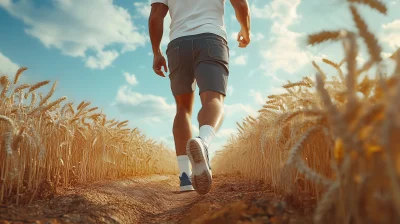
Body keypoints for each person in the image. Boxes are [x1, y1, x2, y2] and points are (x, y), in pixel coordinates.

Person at [148, 0, 251, 195]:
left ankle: (185, 177)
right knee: (214, 99)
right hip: (211, 39)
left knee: (182, 110)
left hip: (178, 45)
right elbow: (240, 4)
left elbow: (156, 15)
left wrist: (156, 53)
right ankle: (203, 142)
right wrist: (246, 30)